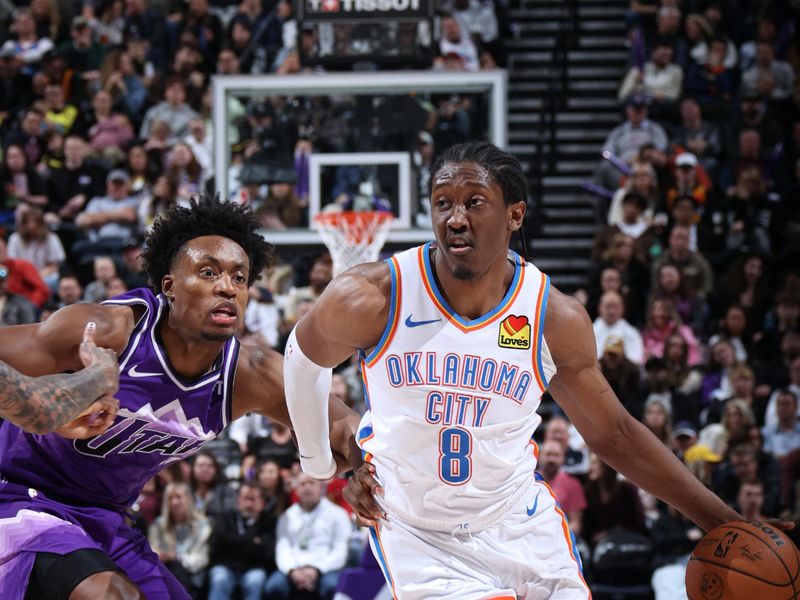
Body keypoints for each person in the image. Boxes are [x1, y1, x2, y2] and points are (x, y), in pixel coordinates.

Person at [284, 142, 790, 599]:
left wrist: (727, 524)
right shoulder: (373, 296)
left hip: (521, 525)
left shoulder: (553, 317)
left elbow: (614, 433)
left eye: (474, 201)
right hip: (422, 536)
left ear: (515, 214)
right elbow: (301, 357)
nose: (455, 218)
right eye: (443, 202)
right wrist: (323, 462)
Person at [0, 196, 363, 599]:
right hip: (19, 495)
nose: (226, 287)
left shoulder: (251, 375)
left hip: (104, 518)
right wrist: (75, 389)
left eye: (239, 278)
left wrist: (366, 470)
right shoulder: (107, 332)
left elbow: (347, 426)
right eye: (208, 273)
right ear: (169, 285)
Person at [265, 472, 352, 600]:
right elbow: (282, 549)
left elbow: (340, 550)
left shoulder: (338, 514)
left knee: (332, 586)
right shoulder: (286, 516)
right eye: (302, 484)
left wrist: (317, 569)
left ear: (321, 487)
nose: (307, 487)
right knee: (274, 587)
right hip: (294, 567)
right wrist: (292, 571)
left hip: (325, 568)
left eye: (312, 483)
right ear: (296, 489)